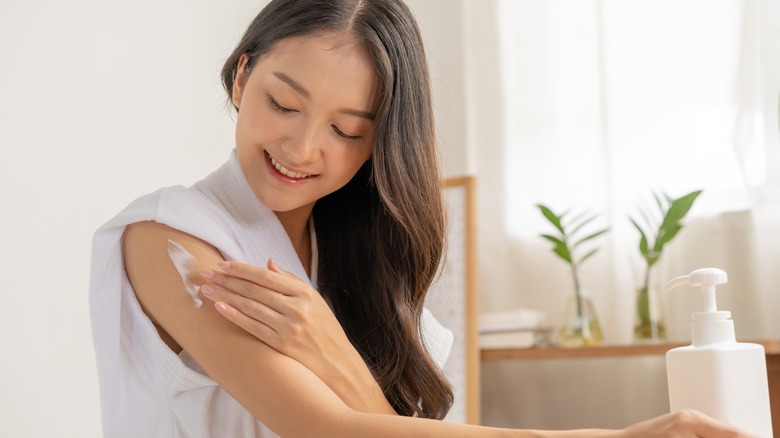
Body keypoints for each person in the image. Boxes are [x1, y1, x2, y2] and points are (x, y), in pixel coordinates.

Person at [89, 0, 753, 436]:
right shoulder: (169, 237)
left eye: (347, 130)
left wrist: (336, 355)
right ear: (241, 78)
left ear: (379, 143)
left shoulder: (362, 263)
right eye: (283, 104)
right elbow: (324, 428)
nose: (302, 147)